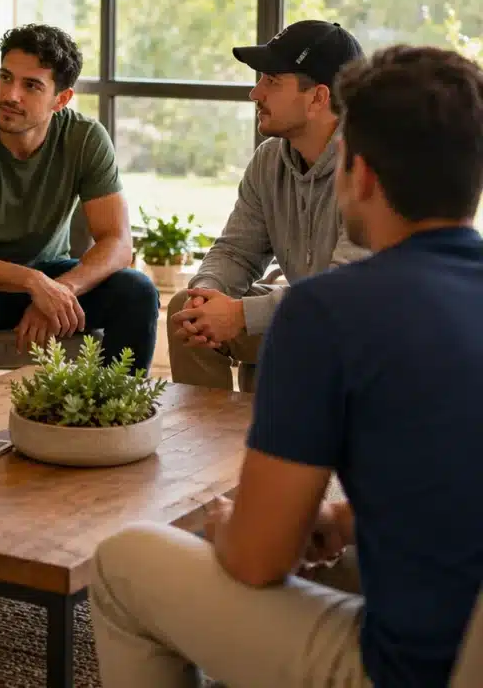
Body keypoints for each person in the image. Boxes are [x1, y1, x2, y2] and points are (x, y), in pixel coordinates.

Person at [90, 44, 483, 688]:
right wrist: (340, 521)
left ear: (359, 175)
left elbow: (257, 562)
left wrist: (224, 526)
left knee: (123, 562)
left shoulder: (331, 314)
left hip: (408, 669)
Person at [0, 23, 159, 399]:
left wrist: (61, 290)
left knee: (138, 290)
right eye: (5, 77)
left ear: (60, 100)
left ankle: (111, 416)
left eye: (31, 85)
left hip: (52, 274)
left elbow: (118, 242)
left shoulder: (85, 138)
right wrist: (33, 283)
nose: (10, 95)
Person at [169, 19, 367, 392]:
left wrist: (241, 315)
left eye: (272, 81)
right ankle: (214, 445)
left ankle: (263, 442)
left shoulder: (369, 168)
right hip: (300, 314)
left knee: (267, 326)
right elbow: (236, 251)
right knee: (187, 314)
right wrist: (204, 296)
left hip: (356, 333)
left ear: (318, 98)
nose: (255, 93)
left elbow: (344, 293)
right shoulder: (269, 160)